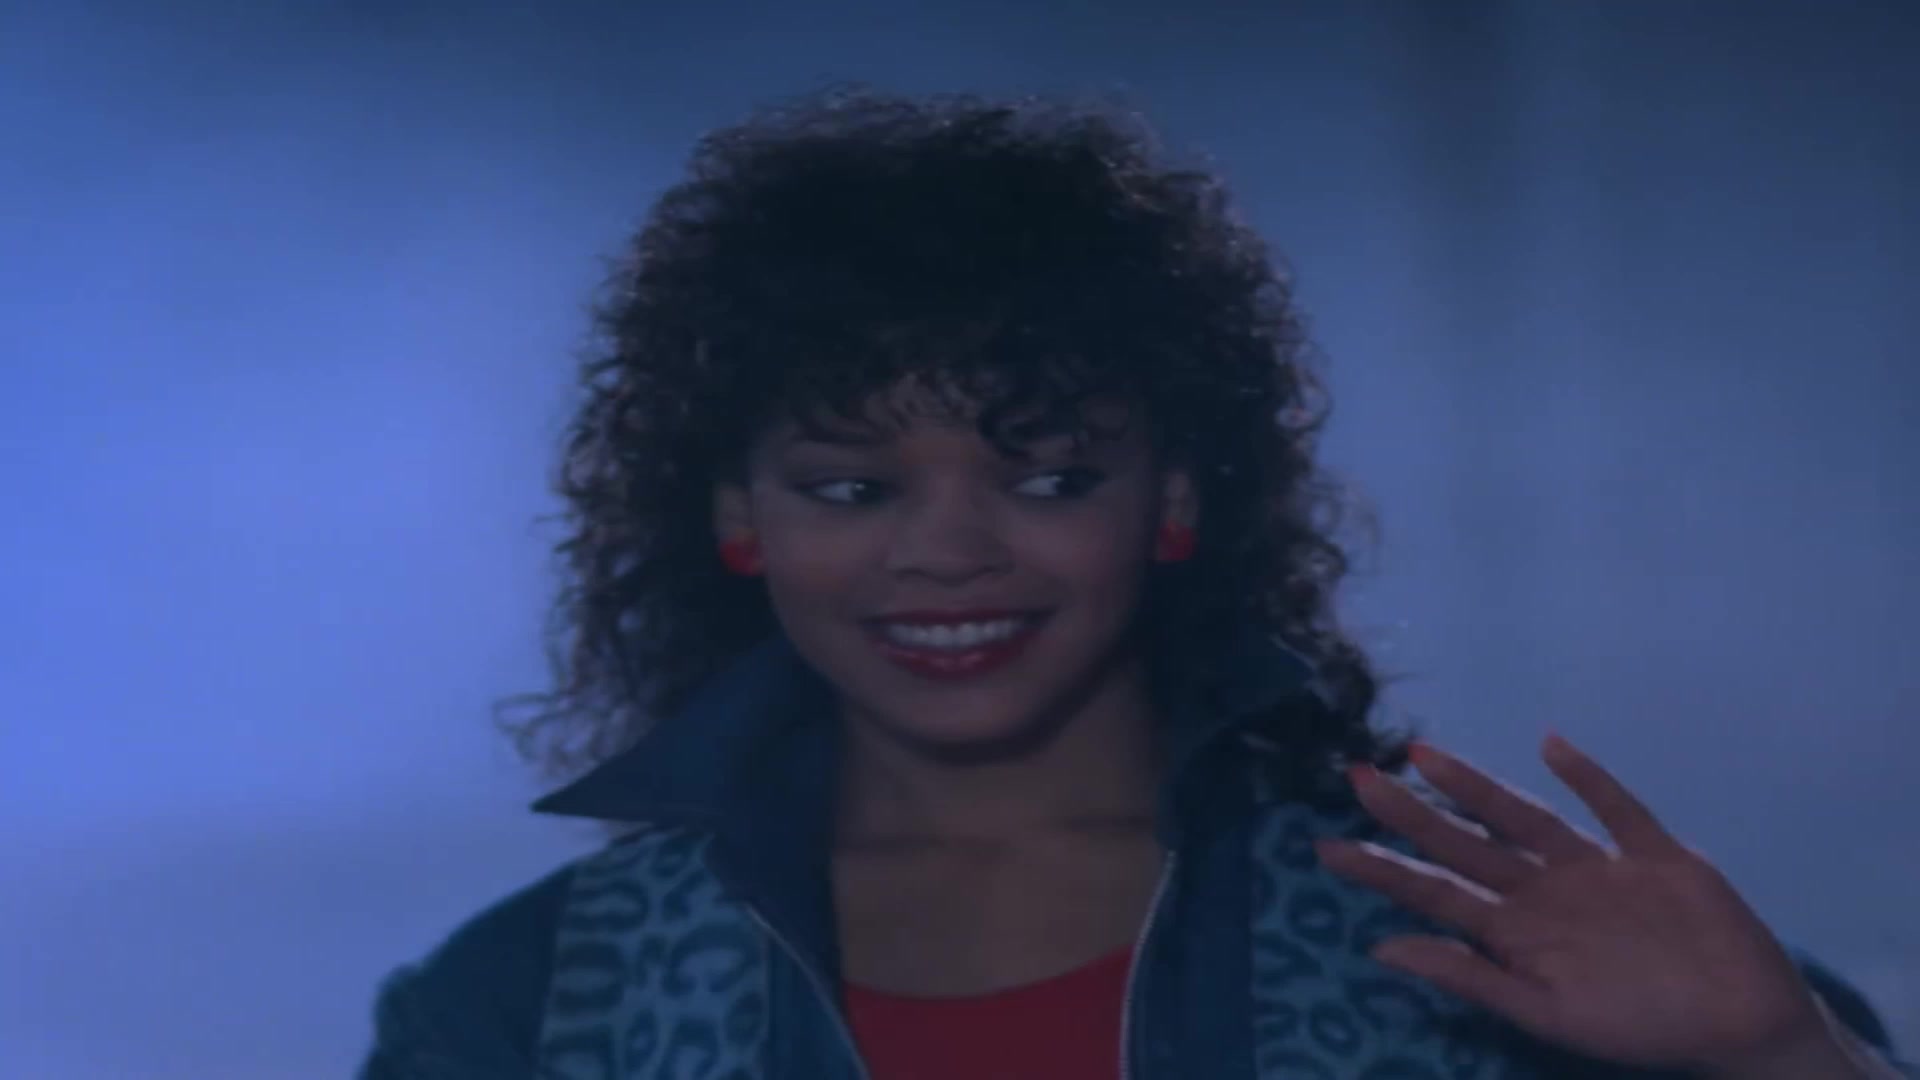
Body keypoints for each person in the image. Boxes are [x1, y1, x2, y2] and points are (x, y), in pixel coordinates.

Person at [357, 87, 1913, 1079]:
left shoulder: (1465, 943)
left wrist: (1781, 1060)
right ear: (737, 520)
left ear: (1172, 503)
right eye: (851, 488)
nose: (947, 550)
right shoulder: (536, 1002)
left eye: (1048, 478)